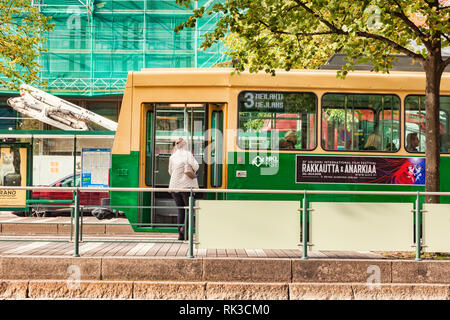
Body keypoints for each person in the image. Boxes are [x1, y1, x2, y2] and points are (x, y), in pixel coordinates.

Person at [168, 138, 199, 240]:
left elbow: (170, 171)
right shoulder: (188, 154)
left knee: (180, 210)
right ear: (185, 145)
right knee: (189, 209)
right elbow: (196, 166)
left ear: (176, 146)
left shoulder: (172, 157)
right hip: (186, 186)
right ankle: (184, 228)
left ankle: (180, 234)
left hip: (174, 186)